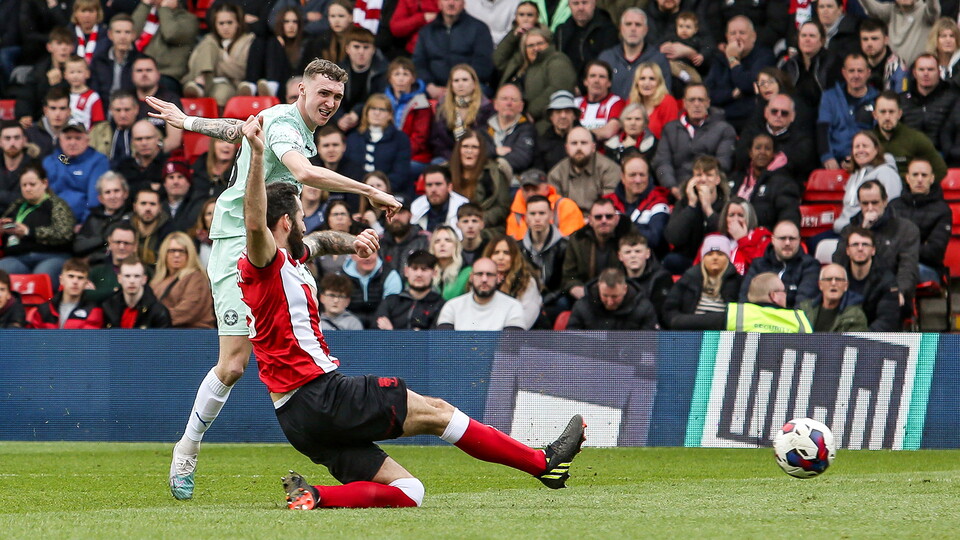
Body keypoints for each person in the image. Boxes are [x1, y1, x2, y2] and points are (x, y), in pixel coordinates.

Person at [233, 117, 584, 507]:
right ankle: (543, 463)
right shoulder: (262, 259)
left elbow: (317, 241)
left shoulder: (286, 256)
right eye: (299, 216)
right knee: (438, 413)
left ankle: (315, 496)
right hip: (321, 394)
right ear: (284, 222)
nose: (304, 220)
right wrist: (259, 155)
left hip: (296, 418)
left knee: (409, 492)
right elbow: (254, 220)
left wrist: (352, 243)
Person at [147, 58, 402, 502]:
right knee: (233, 365)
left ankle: (334, 434)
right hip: (236, 243)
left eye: (338, 97)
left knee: (291, 347)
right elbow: (303, 173)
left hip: (274, 244)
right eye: (323, 93)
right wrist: (371, 190)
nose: (330, 103)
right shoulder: (288, 129)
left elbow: (237, 129)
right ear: (302, 89)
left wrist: (186, 120)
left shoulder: (281, 121)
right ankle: (186, 448)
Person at [834, 180, 920, 311]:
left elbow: (907, 267)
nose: (870, 208)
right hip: (853, 292)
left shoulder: (905, 229)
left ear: (885, 201)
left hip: (888, 292)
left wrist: (900, 291)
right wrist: (863, 230)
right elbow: (838, 262)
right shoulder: (850, 230)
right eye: (865, 203)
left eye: (875, 203)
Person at [652, 83, 737, 197]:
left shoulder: (724, 129)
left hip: (712, 191)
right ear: (684, 103)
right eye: (692, 100)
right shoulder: (670, 129)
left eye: (701, 100)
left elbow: (724, 164)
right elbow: (661, 164)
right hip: (676, 192)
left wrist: (701, 185)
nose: (696, 104)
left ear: (708, 103)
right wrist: (671, 186)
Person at [0, 164, 75, 289]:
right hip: (18, 257)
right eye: (24, 185)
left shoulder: (56, 205)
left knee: (41, 275)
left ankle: (44, 308)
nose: (28, 189)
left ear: (44, 183)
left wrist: (29, 232)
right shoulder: (17, 205)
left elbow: (64, 233)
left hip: (51, 255)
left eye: (32, 184)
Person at [670, 271, 813, 332]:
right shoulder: (799, 319)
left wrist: (673, 315)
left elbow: (683, 322)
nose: (786, 295)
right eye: (784, 291)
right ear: (774, 295)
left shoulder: (738, 314)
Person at [498, 27, 577, 133]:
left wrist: (532, 111)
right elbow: (498, 61)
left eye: (540, 43)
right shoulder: (521, 64)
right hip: (512, 119)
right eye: (530, 45)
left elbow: (559, 87)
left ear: (548, 44)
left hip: (542, 123)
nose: (535, 48)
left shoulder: (557, 60)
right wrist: (512, 36)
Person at [704, 16, 776, 131]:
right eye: (733, 33)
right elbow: (707, 94)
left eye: (742, 33)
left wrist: (733, 59)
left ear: (754, 36)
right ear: (727, 37)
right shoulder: (719, 59)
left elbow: (748, 85)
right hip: (721, 120)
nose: (737, 37)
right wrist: (731, 94)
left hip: (749, 121)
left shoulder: (764, 56)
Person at [413, 0, 494, 99]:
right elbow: (419, 63)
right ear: (439, 3)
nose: (451, 3)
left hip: (470, 86)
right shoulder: (426, 31)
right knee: (413, 96)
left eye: (456, 0)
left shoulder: (479, 29)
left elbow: (484, 63)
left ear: (464, 3)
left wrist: (460, 85)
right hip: (435, 87)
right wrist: (430, 85)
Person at [663, 156, 730, 274]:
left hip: (718, 261)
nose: (703, 179)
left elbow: (726, 237)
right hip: (689, 260)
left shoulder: (727, 204)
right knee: (671, 260)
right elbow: (673, 237)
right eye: (698, 175)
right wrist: (691, 206)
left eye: (709, 175)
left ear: (717, 179)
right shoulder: (684, 203)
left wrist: (708, 210)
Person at [890, 158, 952, 282]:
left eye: (924, 175)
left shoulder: (943, 210)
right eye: (915, 175)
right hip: (894, 265)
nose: (919, 179)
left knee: (903, 273)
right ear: (907, 178)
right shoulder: (893, 206)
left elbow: (934, 252)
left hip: (927, 268)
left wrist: (899, 246)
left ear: (932, 178)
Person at [663, 234, 742, 329]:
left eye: (720, 254)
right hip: (690, 334)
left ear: (728, 258)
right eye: (710, 254)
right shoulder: (688, 278)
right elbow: (669, 311)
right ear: (703, 258)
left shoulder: (738, 281)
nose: (715, 258)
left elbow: (741, 315)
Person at [182, 3, 255, 106]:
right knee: (209, 44)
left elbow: (241, 71)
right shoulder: (209, 41)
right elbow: (193, 65)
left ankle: (201, 84)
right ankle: (202, 82)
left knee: (220, 94)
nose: (225, 27)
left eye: (229, 23)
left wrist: (215, 60)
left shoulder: (247, 40)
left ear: (238, 23)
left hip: (230, 85)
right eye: (221, 23)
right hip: (207, 82)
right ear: (215, 25)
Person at [734, 93, 817, 183]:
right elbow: (740, 157)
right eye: (774, 111)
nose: (779, 115)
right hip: (749, 182)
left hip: (783, 186)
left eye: (784, 113)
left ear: (792, 116)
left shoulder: (802, 139)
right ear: (766, 113)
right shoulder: (751, 132)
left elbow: (797, 166)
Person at [562, 197, 632, 301]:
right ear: (590, 220)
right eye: (598, 217)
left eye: (609, 216)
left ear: (616, 219)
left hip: (620, 295)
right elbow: (569, 276)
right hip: (587, 296)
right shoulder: (577, 240)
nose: (604, 220)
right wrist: (576, 289)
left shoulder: (629, 237)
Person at [818, 53, 880, 170]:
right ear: (844, 73)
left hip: (867, 161)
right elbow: (823, 130)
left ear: (868, 73)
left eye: (860, 71)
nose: (856, 75)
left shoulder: (877, 98)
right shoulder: (829, 97)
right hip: (835, 162)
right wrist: (827, 157)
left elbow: (878, 135)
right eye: (851, 71)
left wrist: (861, 161)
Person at [42, 118, 110, 223]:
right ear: (60, 139)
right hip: (51, 222)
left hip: (84, 224)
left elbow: (94, 201)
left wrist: (84, 225)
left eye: (78, 138)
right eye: (68, 138)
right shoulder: (49, 161)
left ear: (87, 140)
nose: (72, 143)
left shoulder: (98, 161)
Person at [833, 131, 902, 234]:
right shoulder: (854, 175)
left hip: (866, 231)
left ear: (876, 150)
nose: (860, 150)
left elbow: (891, 209)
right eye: (857, 147)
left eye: (865, 146)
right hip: (843, 228)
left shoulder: (886, 173)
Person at [739, 221, 820, 309]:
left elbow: (804, 303)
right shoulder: (758, 265)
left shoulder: (810, 265)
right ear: (773, 240)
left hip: (789, 321)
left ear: (799, 240)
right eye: (782, 238)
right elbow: (744, 298)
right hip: (758, 319)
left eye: (792, 239)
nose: (787, 243)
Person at [729, 133, 801, 231]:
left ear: (773, 154)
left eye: (767, 148)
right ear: (750, 152)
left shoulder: (783, 182)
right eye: (758, 148)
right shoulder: (736, 178)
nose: (762, 152)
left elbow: (788, 214)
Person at [343, 94, 412, 196]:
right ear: (366, 112)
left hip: (389, 194)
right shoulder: (353, 138)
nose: (377, 113)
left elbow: (401, 172)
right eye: (373, 108)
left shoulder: (400, 139)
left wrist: (379, 190)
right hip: (356, 194)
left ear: (390, 115)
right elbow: (348, 169)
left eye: (382, 109)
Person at [871, 90, 947, 181]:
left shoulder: (915, 139)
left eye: (891, 112)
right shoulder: (867, 141)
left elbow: (941, 170)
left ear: (899, 114)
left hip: (908, 192)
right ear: (875, 114)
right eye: (883, 112)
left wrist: (921, 186)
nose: (887, 117)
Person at [602, 152, 669, 255]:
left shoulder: (658, 201)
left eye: (642, 175)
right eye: (632, 175)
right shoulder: (608, 202)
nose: (638, 180)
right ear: (623, 177)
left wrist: (622, 226)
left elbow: (653, 239)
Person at [597, 8, 671, 100]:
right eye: (628, 24)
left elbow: (665, 97)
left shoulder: (658, 60)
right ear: (620, 28)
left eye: (638, 25)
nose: (633, 29)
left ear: (646, 29)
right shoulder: (606, 58)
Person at [837, 227, 901, 331]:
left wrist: (862, 337)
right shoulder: (837, 278)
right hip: (843, 335)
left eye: (865, 244)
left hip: (874, 338)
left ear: (873, 250)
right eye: (855, 244)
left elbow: (887, 320)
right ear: (847, 250)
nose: (860, 248)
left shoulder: (887, 280)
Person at [436, 256, 526, 329]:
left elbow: (511, 348)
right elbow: (444, 345)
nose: (484, 279)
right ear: (471, 277)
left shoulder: (513, 306)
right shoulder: (452, 306)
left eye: (489, 274)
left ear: (498, 278)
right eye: (479, 274)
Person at [449, 130, 512, 233]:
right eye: (465, 146)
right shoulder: (446, 172)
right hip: (450, 227)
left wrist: (478, 221)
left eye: (474, 147)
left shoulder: (494, 173)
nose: (469, 151)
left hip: (485, 229)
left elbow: (502, 207)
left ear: (481, 151)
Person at [384, 58, 432, 192]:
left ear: (413, 78)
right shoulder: (381, 102)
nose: (400, 79)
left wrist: (398, 155)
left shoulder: (421, 103)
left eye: (405, 74)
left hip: (414, 157)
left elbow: (419, 139)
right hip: (388, 153)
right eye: (396, 74)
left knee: (400, 168)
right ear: (390, 78)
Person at [150, 232, 216, 329]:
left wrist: (155, 319)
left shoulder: (196, 277)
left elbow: (189, 309)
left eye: (182, 251)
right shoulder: (158, 280)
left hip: (193, 335)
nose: (177, 255)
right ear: (165, 253)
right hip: (164, 332)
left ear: (190, 253)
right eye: (172, 251)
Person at [548, 126, 620, 215]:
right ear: (566, 148)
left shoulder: (609, 169)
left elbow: (610, 205)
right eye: (574, 143)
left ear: (593, 147)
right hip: (568, 221)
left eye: (584, 143)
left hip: (599, 219)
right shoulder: (556, 174)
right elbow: (555, 208)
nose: (579, 148)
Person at [131, 0, 200, 94]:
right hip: (138, 71)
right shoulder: (147, 13)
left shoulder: (188, 19)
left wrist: (164, 9)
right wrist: (145, 5)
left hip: (167, 75)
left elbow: (171, 34)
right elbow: (130, 34)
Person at [566, 265, 658, 329]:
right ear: (598, 288)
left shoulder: (644, 309)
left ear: (625, 289)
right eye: (605, 296)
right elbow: (572, 341)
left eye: (615, 296)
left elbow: (649, 346)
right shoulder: (582, 307)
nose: (610, 301)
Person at [333, 28, 389, 131]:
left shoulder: (383, 72)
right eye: (356, 47)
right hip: (341, 122)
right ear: (347, 49)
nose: (361, 52)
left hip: (371, 122)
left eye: (366, 47)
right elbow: (332, 98)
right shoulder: (337, 71)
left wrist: (357, 112)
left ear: (373, 50)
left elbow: (379, 99)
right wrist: (339, 118)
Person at [901, 53, 959, 153]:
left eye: (930, 69)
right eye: (921, 69)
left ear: (939, 72)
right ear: (914, 73)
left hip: (943, 156)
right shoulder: (902, 100)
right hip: (909, 155)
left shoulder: (953, 98)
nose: (926, 73)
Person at [483, 234, 542, 329]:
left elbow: (525, 320)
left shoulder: (527, 281)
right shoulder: (482, 280)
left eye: (506, 253)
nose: (500, 257)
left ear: (514, 257)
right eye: (496, 252)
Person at [779, 20, 838, 116]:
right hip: (794, 116)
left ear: (822, 41)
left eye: (812, 36)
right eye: (803, 35)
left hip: (823, 115)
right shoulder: (789, 65)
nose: (807, 39)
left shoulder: (833, 63)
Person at [375, 250, 446, 329]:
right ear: (406, 271)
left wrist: (392, 331)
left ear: (434, 273)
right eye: (414, 269)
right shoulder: (391, 301)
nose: (419, 274)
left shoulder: (440, 305)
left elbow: (434, 338)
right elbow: (375, 333)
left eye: (424, 269)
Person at [26, 257, 104, 329]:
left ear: (86, 283)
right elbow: (34, 340)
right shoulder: (44, 309)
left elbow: (87, 341)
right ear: (61, 280)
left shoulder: (93, 310)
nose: (75, 281)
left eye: (80, 278)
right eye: (71, 276)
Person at [72, 171, 131, 263]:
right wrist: (103, 239)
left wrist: (91, 258)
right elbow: (78, 246)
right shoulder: (93, 217)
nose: (112, 196)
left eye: (116, 191)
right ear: (101, 198)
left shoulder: (131, 217)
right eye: (107, 192)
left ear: (125, 194)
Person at [519, 194, 568, 302]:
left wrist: (545, 301)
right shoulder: (519, 248)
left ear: (551, 215)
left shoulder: (564, 247)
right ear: (526, 217)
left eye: (542, 213)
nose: (537, 218)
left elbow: (566, 282)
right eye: (532, 214)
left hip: (554, 300)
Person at [860, 0, 939, 67]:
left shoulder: (926, 12)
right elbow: (872, 9)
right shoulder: (890, 11)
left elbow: (934, 8)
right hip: (894, 73)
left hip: (919, 74)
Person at [101, 255, 172, 328]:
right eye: (127, 276)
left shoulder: (159, 312)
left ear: (144, 279)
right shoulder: (109, 307)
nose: (132, 281)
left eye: (137, 276)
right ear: (119, 278)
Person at [484, 83, 537, 181]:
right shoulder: (484, 128)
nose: (509, 103)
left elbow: (522, 158)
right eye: (504, 99)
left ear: (521, 106)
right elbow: (476, 153)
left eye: (514, 100)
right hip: (485, 179)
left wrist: (491, 160)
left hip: (514, 184)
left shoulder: (527, 129)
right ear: (495, 104)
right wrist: (495, 151)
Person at [88, 14, 144, 105]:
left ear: (133, 35)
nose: (123, 37)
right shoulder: (99, 60)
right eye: (118, 32)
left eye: (127, 32)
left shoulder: (141, 62)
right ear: (110, 34)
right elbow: (94, 93)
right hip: (103, 113)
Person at [616, 232, 671, 324]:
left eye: (638, 251)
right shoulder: (614, 278)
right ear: (620, 256)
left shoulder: (662, 278)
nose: (633, 256)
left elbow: (660, 313)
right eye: (627, 252)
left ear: (647, 253)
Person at [553, 0, 618, 76]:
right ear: (569, 6)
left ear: (594, 4)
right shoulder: (561, 31)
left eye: (585, 3)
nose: (580, 8)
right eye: (576, 3)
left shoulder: (608, 30)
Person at [798, 263, 869, 332]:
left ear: (846, 286)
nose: (833, 283)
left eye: (838, 279)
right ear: (820, 285)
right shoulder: (805, 310)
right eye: (828, 279)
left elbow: (855, 343)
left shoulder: (855, 316)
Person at [132, 56, 183, 151]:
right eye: (139, 70)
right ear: (132, 75)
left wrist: (152, 156)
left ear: (158, 74)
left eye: (149, 70)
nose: (144, 74)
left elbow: (174, 140)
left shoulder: (169, 100)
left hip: (161, 158)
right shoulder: (126, 99)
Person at [341, 251, 403, 328]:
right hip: (348, 330)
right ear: (353, 256)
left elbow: (391, 309)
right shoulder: (341, 277)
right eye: (363, 254)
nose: (368, 258)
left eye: (372, 252)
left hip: (379, 330)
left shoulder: (390, 276)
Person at [714, 197, 771, 275]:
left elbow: (760, 267)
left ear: (749, 218)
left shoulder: (761, 237)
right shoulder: (714, 239)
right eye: (731, 215)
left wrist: (742, 239)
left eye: (740, 215)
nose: (736, 219)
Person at [87, 221, 139, 302]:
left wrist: (100, 294)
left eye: (127, 243)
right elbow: (85, 295)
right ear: (109, 243)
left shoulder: (145, 272)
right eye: (117, 242)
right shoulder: (96, 272)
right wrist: (115, 291)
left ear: (135, 246)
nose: (122, 247)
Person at [574, 60, 625, 142]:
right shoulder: (576, 103)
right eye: (592, 76)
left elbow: (609, 132)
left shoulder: (616, 102)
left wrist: (578, 135)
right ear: (585, 81)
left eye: (602, 77)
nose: (596, 80)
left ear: (609, 83)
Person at [627, 62, 680, 139]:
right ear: (636, 83)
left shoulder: (668, 102)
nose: (647, 83)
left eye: (652, 79)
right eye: (642, 78)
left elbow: (671, 136)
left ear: (659, 83)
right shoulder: (631, 102)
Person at [410, 165, 469, 233]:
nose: (433, 189)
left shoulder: (463, 205)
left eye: (438, 184)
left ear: (449, 186)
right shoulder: (416, 205)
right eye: (429, 185)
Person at [89, 90, 140, 167]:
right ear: (111, 110)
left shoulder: (147, 129)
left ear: (136, 109)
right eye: (118, 110)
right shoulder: (98, 130)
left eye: (127, 110)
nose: (122, 115)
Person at [115, 119, 168, 193]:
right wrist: (149, 186)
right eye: (139, 139)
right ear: (132, 142)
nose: (144, 143)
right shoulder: (124, 166)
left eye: (148, 138)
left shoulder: (167, 163)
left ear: (157, 139)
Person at [859, 17, 909, 93]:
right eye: (865, 39)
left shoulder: (897, 67)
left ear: (886, 40)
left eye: (874, 39)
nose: (869, 44)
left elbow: (902, 99)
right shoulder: (856, 63)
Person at [534, 90, 580, 172]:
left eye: (567, 111)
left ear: (574, 116)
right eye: (558, 112)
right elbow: (539, 171)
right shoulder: (542, 142)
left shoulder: (587, 139)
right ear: (551, 117)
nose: (563, 116)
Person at [0, 121, 41, 211]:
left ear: (24, 140)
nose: (12, 143)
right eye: (7, 138)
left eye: (17, 138)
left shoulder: (36, 166)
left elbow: (32, 199)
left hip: (25, 219)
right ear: (0, 142)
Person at [379, 201, 430, 273]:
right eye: (391, 213)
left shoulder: (425, 240)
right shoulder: (379, 243)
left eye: (401, 212)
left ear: (410, 215)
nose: (396, 217)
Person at [63, 55, 105, 130]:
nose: (75, 76)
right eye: (72, 72)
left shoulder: (93, 97)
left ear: (87, 73)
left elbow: (98, 123)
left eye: (79, 72)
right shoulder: (63, 95)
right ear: (65, 75)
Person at [430, 224, 472, 299]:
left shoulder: (467, 272)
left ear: (456, 245)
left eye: (448, 240)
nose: (442, 244)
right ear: (432, 247)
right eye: (437, 241)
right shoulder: (427, 271)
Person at [929, 17, 960, 86]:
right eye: (943, 36)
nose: (948, 40)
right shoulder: (928, 64)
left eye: (952, 36)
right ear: (935, 39)